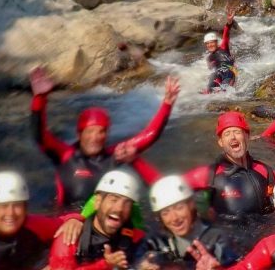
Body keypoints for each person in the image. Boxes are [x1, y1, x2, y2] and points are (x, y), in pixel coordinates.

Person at [29, 67, 180, 208]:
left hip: (105, 222)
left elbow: (149, 136)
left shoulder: (115, 155)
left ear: (106, 135)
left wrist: (166, 104)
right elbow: (39, 135)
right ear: (79, 134)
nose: (95, 137)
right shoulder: (64, 155)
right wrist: (40, 98)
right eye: (89, 132)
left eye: (100, 132)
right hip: (68, 221)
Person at [184, 111, 275, 215]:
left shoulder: (266, 172)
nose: (233, 137)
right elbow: (168, 188)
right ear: (221, 142)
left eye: (237, 132)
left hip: (265, 229)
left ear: (247, 137)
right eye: (227, 134)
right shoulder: (208, 175)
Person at [49, 169, 146, 269]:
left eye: (127, 204)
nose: (119, 209)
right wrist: (105, 265)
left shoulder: (137, 239)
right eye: (113, 199)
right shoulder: (70, 237)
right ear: (98, 202)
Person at [140, 175, 237, 268]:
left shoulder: (218, 240)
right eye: (165, 213)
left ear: (192, 204)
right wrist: (141, 266)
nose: (174, 218)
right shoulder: (157, 243)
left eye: (179, 208)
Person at [204, 8, 237, 93]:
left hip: (229, 72)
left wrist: (229, 22)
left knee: (224, 90)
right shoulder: (209, 58)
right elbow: (211, 68)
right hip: (219, 73)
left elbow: (226, 34)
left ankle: (223, 91)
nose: (210, 45)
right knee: (213, 75)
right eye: (208, 44)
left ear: (216, 43)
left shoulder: (223, 47)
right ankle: (207, 92)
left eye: (212, 43)